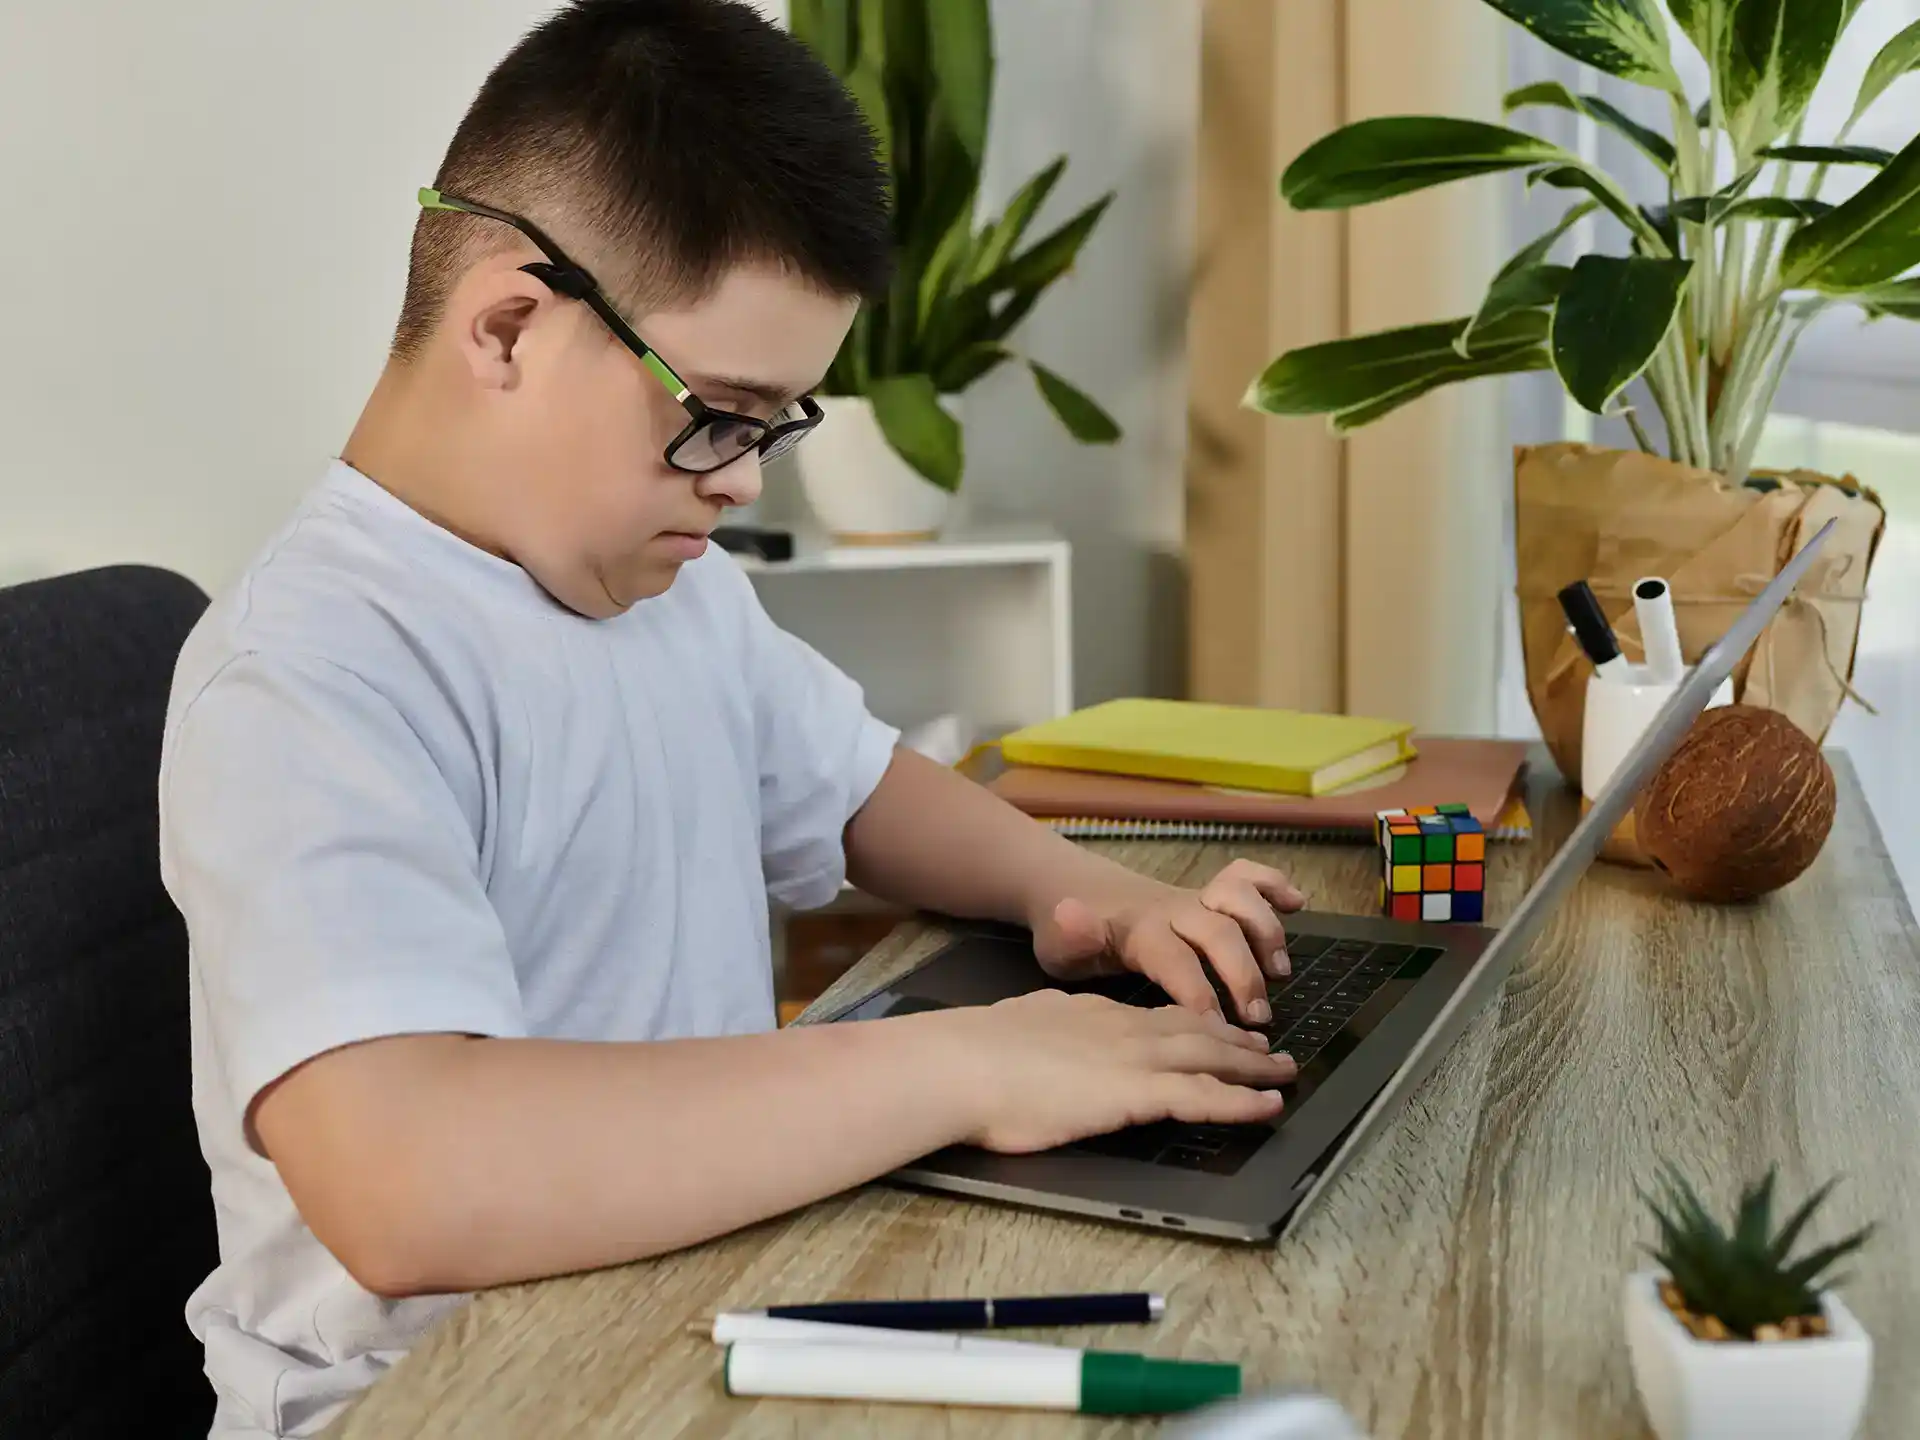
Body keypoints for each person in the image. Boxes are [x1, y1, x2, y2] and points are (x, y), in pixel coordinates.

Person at [158, 2, 1304, 1434]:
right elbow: (407, 1181)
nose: (746, 481)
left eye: (776, 425)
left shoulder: (660, 585)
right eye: (718, 414)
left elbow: (850, 784)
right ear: (510, 324)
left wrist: (1084, 893)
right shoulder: (313, 674)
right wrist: (964, 1060)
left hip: (698, 1311)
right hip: (452, 1397)